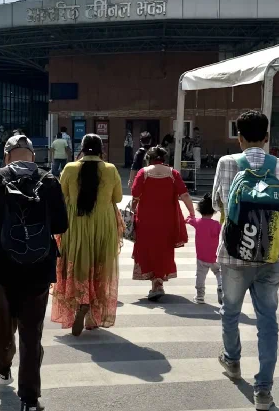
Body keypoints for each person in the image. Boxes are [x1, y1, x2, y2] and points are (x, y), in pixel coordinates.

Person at [0, 133, 68, 411]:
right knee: (31, 332)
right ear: (33, 156)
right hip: (39, 266)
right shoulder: (49, 181)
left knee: (5, 320)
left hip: (2, 264)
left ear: (6, 156)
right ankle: (29, 402)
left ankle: (1, 365)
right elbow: (61, 224)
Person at [212, 110, 279, 411]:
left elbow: (218, 201)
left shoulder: (227, 162)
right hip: (269, 254)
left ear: (239, 138)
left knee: (230, 311)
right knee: (268, 321)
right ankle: (264, 390)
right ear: (267, 137)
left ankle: (232, 361)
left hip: (233, 254)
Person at [52, 133, 122, 335]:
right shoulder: (110, 169)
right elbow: (117, 198)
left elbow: (62, 195)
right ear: (101, 149)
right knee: (100, 267)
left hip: (76, 225)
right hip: (103, 225)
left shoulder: (70, 168)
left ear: (81, 148)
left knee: (78, 267)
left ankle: (80, 304)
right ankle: (92, 315)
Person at [131, 146, 197, 301]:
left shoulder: (143, 173)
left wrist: (133, 210)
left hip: (146, 221)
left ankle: (155, 283)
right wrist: (192, 213)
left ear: (149, 158)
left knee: (148, 249)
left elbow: (135, 195)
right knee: (164, 250)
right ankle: (159, 281)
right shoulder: (173, 173)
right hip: (168, 221)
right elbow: (185, 195)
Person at [188, 193, 223, 305]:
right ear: (213, 211)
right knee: (218, 272)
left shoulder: (197, 222)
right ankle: (221, 286)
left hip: (201, 257)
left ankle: (200, 297)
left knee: (200, 276)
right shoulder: (217, 225)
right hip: (215, 256)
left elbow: (188, 219)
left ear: (200, 209)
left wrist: (190, 216)